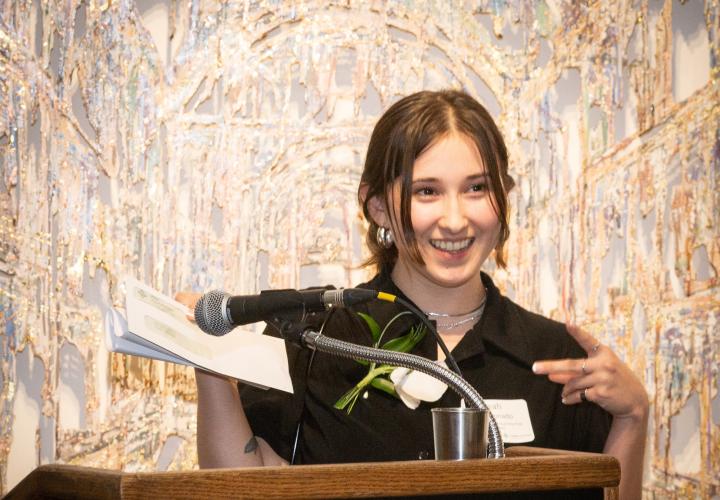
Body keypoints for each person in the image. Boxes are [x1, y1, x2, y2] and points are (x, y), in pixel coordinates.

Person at [177, 89, 648, 499]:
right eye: (427, 191)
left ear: (504, 196)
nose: (456, 218)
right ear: (378, 205)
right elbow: (243, 487)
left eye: (477, 188)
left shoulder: (557, 361)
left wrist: (633, 416)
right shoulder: (314, 339)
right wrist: (212, 367)